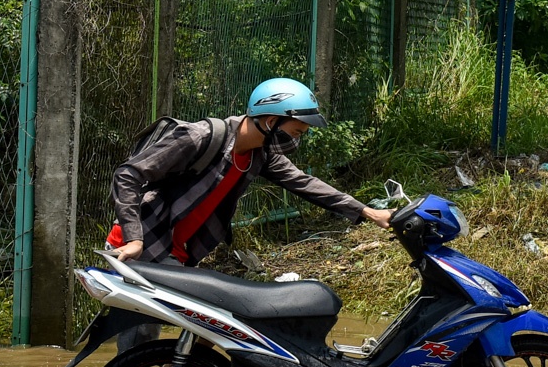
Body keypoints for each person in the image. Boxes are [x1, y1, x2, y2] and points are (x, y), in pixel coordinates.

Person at [109, 77, 392, 285]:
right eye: (297, 131)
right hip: (142, 241)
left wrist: (368, 212)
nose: (297, 140)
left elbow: (304, 183)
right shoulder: (201, 137)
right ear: (270, 121)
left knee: (207, 321)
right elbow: (128, 174)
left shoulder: (261, 155)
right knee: (156, 328)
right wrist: (134, 239)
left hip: (176, 250)